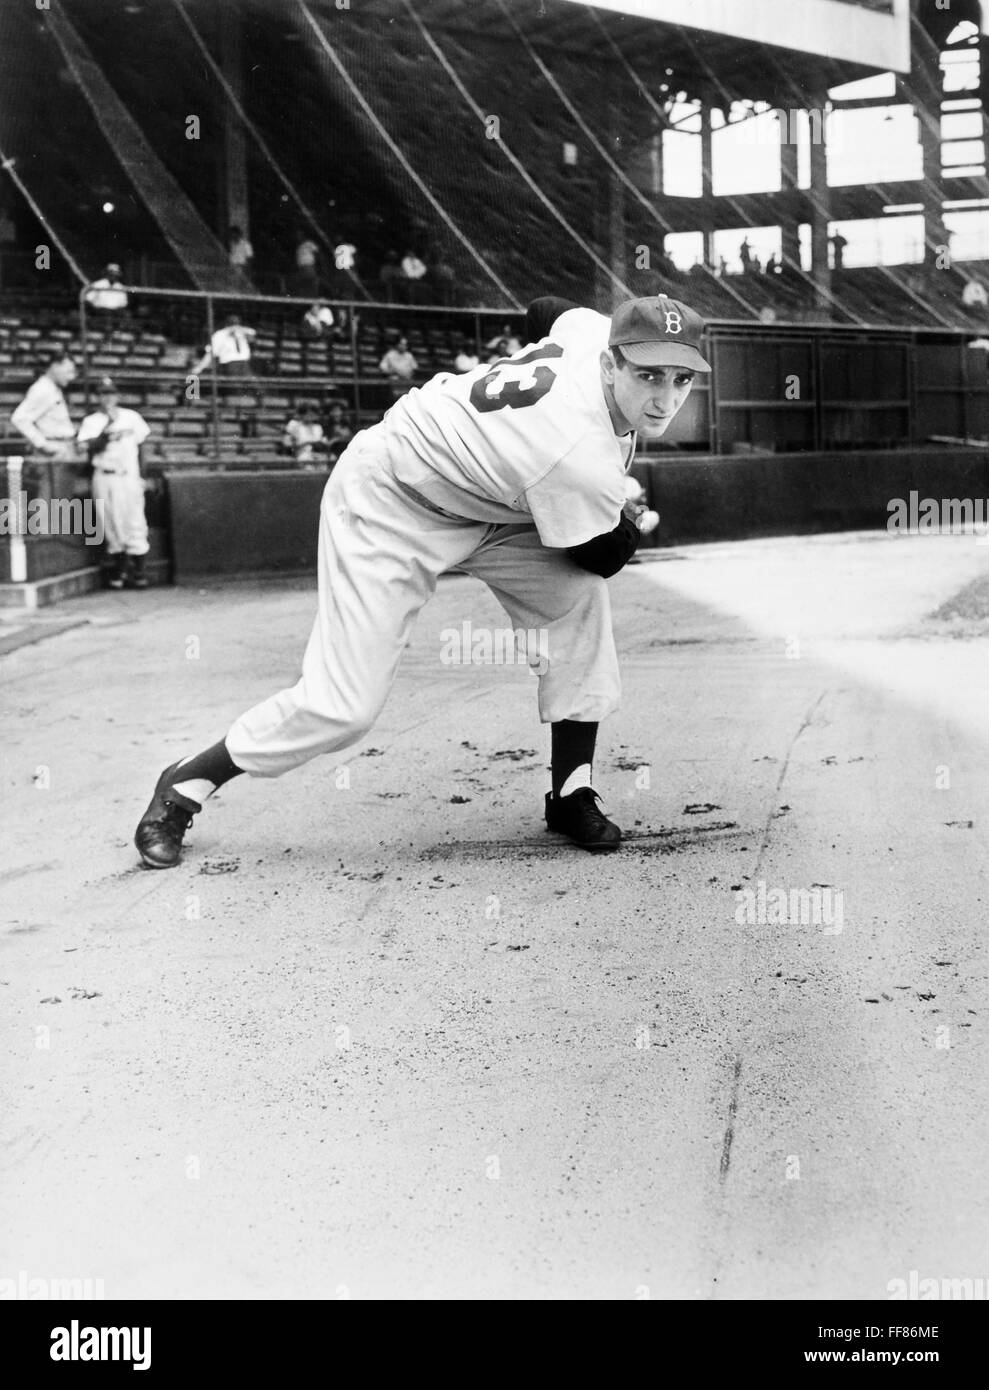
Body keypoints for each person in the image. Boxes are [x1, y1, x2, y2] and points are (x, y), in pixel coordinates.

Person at [133, 293, 711, 869]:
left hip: (499, 503)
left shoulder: (590, 331)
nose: (664, 396)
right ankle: (186, 783)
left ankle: (570, 791)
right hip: (393, 498)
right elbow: (605, 554)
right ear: (610, 364)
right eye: (648, 375)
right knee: (344, 706)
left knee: (577, 603)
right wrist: (632, 517)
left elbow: (545, 309)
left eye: (681, 377)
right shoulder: (576, 452)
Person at [77, 377, 152, 589]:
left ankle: (139, 572)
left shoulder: (132, 417)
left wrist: (142, 476)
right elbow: (90, 447)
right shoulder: (91, 421)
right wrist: (108, 426)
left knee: (134, 521)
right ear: (97, 397)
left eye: (110, 393)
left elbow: (142, 448)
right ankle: (120, 572)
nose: (107, 397)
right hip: (103, 475)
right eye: (102, 393)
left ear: (117, 395)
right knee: (109, 523)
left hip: (128, 475)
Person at [10, 352, 78, 460]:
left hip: (64, 446)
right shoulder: (42, 389)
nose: (71, 377)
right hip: (54, 448)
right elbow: (19, 418)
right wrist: (42, 444)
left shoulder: (52, 388)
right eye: (68, 371)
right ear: (55, 367)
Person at [190, 314, 257, 380]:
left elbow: (253, 333)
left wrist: (238, 329)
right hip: (229, 364)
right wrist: (200, 367)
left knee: (251, 386)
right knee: (236, 387)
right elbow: (211, 353)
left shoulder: (241, 332)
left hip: (244, 363)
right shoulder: (220, 334)